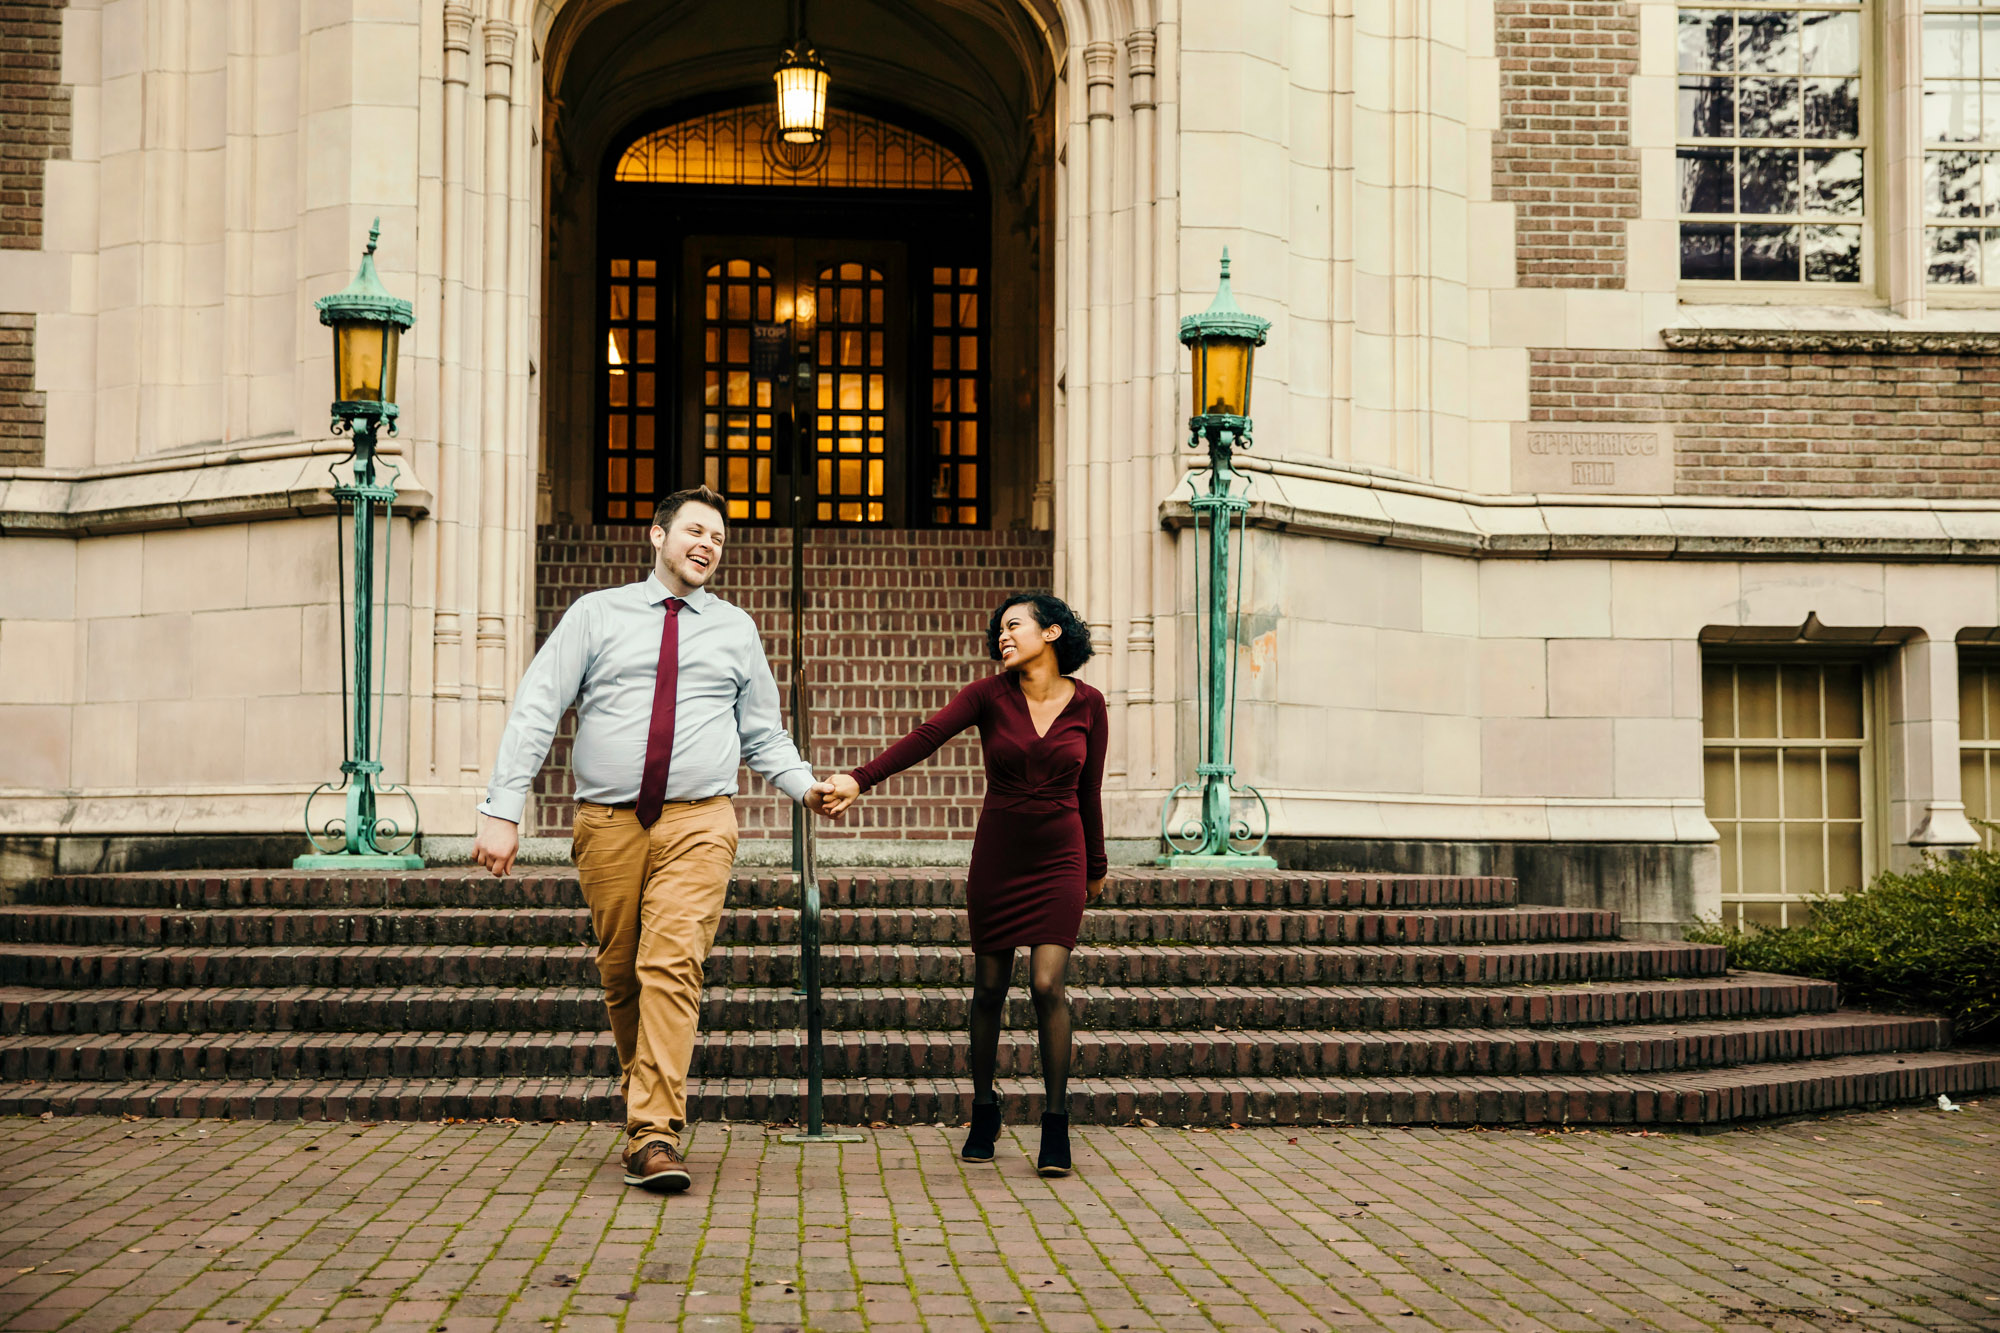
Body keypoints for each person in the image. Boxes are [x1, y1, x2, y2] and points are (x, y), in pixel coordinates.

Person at [472, 484, 834, 1194]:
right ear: (658, 536)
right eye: (696, 530)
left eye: (719, 539)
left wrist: (805, 785)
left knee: (671, 964)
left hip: (699, 820)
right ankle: (650, 1106)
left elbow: (762, 731)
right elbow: (539, 703)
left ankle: (654, 1134)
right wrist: (502, 806)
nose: (708, 545)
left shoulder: (735, 629)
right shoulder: (595, 614)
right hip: (607, 824)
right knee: (621, 974)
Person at [818, 591, 1107, 1177]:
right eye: (998, 629)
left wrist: (1096, 866)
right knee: (989, 987)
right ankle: (983, 1107)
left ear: (1052, 633)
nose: (1003, 635)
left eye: (1015, 625)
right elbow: (926, 738)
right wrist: (859, 778)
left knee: (1048, 984)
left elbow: (1090, 791)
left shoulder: (1091, 704)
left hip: (1061, 859)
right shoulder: (987, 695)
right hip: (999, 856)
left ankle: (1055, 1123)